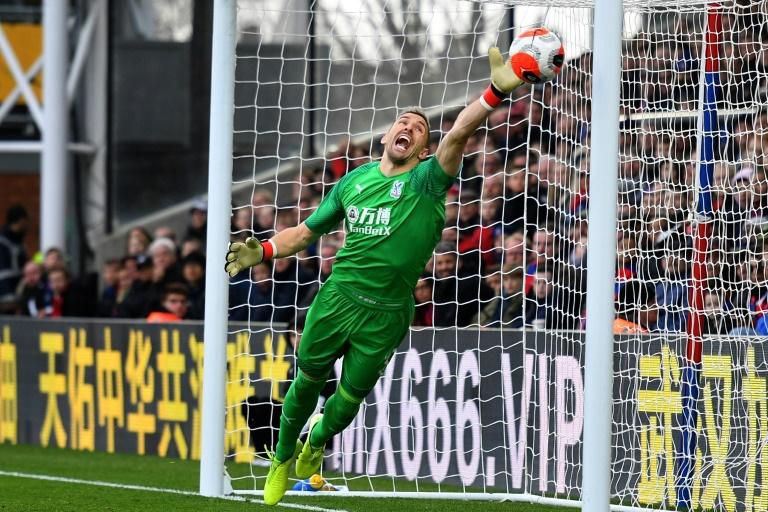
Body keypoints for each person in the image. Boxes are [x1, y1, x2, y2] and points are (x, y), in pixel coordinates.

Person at [224, 46, 525, 505]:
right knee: (305, 383)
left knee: (347, 403)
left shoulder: (427, 179)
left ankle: (317, 441)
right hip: (338, 297)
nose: (408, 127)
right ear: (387, 135)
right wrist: (262, 249)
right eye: (402, 122)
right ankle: (282, 461)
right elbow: (305, 232)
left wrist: (494, 92)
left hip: (387, 313)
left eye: (419, 127)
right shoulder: (353, 182)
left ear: (424, 148)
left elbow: (461, 132)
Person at [0, 205, 29, 313]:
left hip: (15, 294)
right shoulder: (4, 242)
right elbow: (4, 271)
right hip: (6, 297)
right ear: (21, 221)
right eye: (26, 221)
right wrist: (9, 297)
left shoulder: (19, 241)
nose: (28, 225)